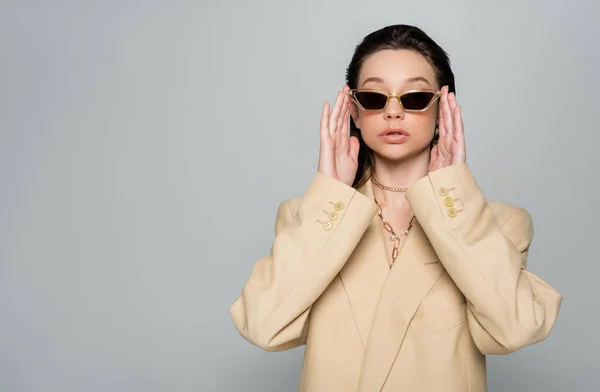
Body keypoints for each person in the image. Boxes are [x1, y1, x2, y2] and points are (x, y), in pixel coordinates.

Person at [229, 24, 562, 392]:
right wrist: (332, 194)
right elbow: (262, 327)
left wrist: (451, 192)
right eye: (373, 98)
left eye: (415, 97)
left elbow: (516, 328)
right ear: (354, 112)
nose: (392, 111)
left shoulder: (499, 225)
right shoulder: (308, 217)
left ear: (442, 110)